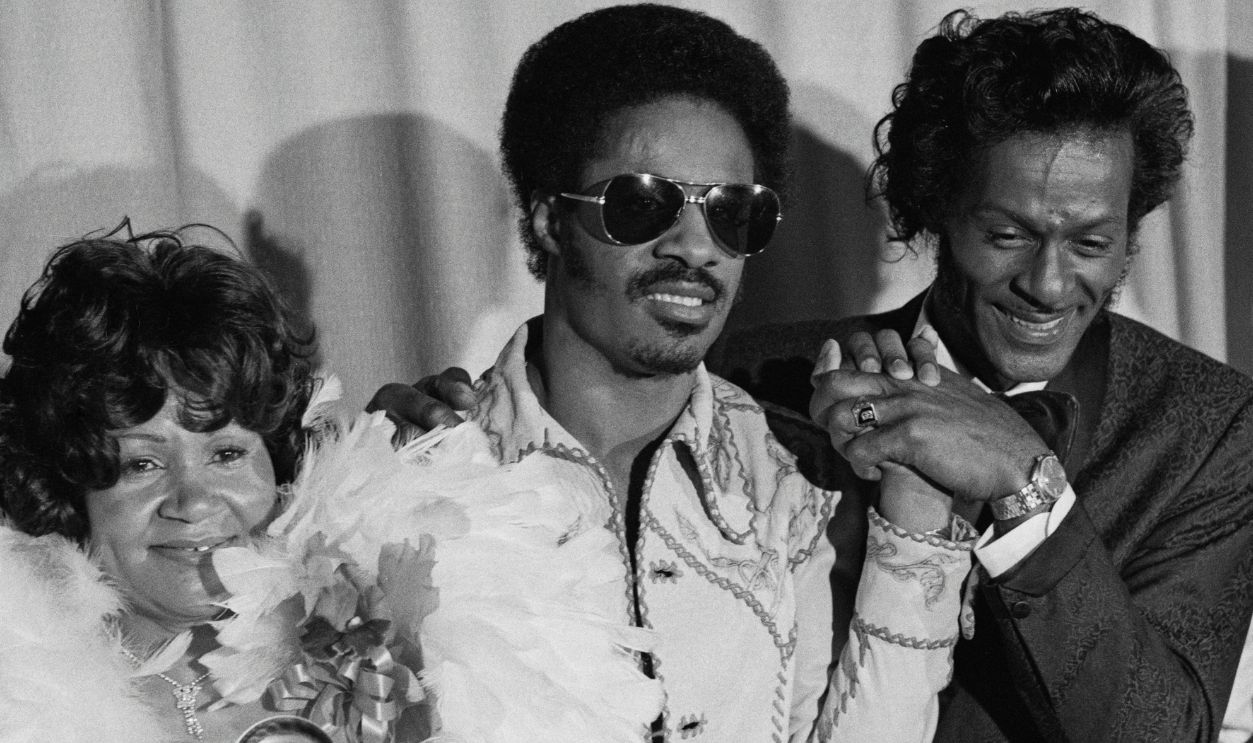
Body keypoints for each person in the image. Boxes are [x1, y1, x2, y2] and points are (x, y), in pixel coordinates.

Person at [379, 5, 980, 741]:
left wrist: (913, 516)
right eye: (641, 203)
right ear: (546, 219)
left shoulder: (798, 480)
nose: (696, 246)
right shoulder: (419, 470)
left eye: (734, 212)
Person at [716, 8, 1253, 742]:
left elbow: (1162, 733)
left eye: (1090, 241)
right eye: (1007, 235)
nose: (1049, 284)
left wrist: (1022, 477)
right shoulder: (755, 381)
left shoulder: (1209, 426)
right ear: (936, 205)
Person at [0, 227, 661, 743]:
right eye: (141, 462)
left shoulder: (388, 652)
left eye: (227, 451)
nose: (194, 500)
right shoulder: (19, 689)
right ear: (66, 484)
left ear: (281, 463)